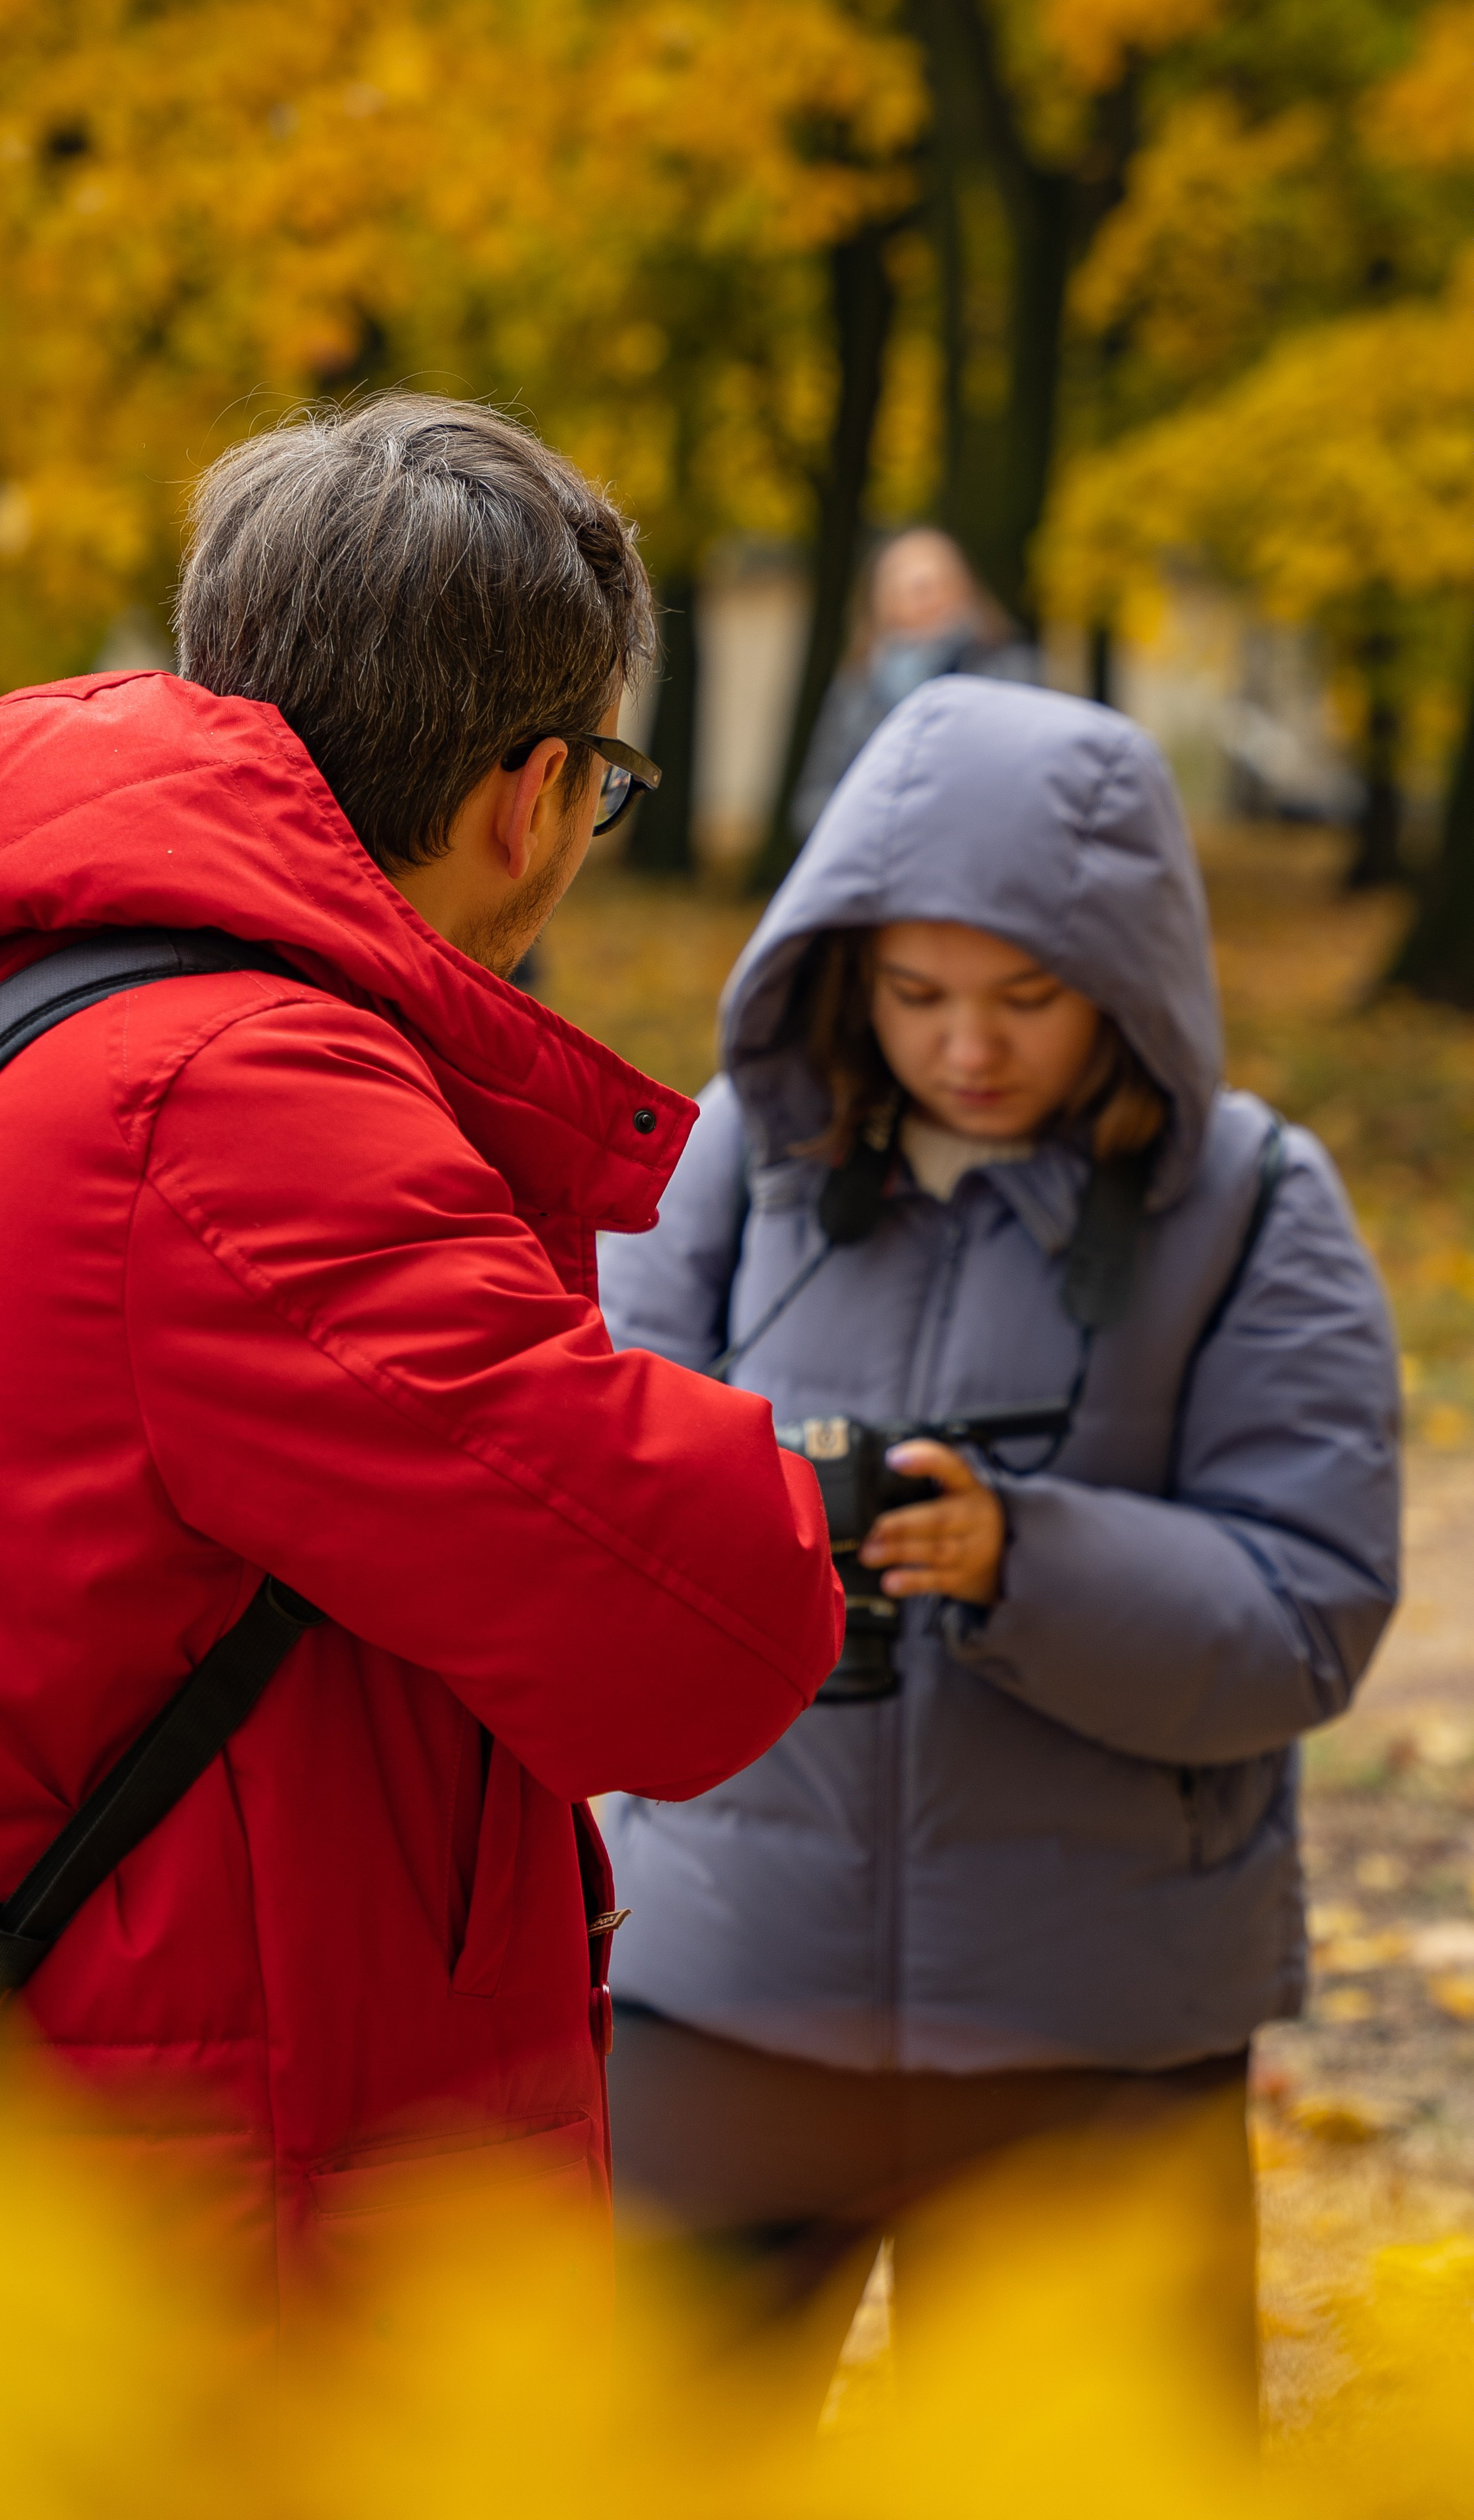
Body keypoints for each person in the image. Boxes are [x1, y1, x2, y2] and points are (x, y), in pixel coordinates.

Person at [0, 396, 842, 2317]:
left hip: (136, 2109)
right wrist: (795, 1480)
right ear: (524, 795)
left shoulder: (53, 992)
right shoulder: (235, 1095)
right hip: (240, 2225)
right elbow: (700, 1623)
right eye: (603, 788)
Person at [596, 675, 1399, 2420]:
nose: (968, 1044)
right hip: (725, 1986)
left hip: (1097, 2035)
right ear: (839, 967)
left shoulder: (1257, 1203)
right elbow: (589, 1503)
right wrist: (768, 1519)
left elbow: (1308, 1612)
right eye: (916, 993)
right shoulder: (739, 1160)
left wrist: (1018, 1555)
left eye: (1029, 997)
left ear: (1131, 975)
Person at [790, 529, 1040, 842]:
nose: (924, 596)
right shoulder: (856, 689)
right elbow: (812, 802)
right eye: (908, 586)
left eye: (934, 583)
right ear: (880, 602)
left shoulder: (1011, 673)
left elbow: (1034, 784)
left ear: (965, 588)